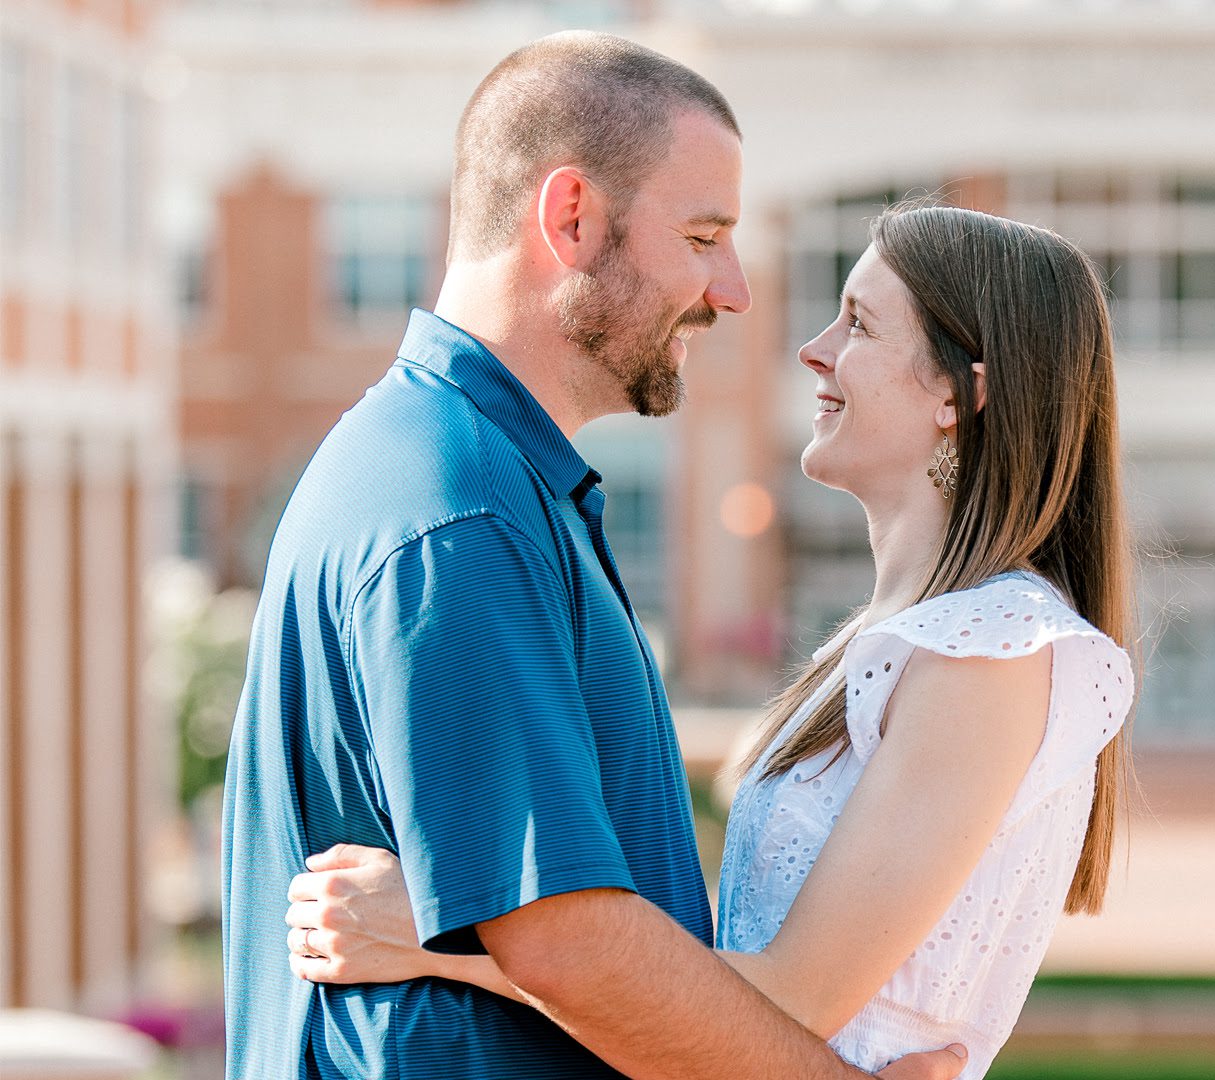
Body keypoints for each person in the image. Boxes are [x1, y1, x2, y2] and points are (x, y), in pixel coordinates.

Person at [223, 31, 965, 1080]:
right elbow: (569, 945)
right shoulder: (459, 511)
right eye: (705, 236)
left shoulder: (475, 478)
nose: (735, 291)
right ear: (571, 218)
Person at [281, 203, 1138, 1079]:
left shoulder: (987, 655)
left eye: (860, 325)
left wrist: (434, 939)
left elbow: (790, 999)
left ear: (961, 393)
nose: (815, 347)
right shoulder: (896, 641)